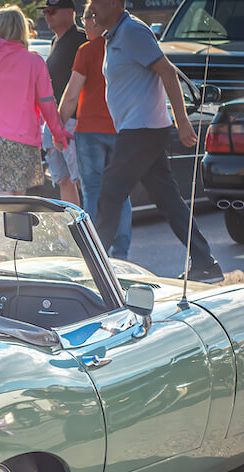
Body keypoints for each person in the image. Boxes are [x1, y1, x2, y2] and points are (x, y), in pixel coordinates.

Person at [87, 0, 222, 281]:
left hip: (142, 131)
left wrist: (182, 121)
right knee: (168, 200)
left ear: (114, 3)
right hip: (139, 130)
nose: (92, 9)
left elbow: (168, 72)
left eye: (97, 2)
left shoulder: (134, 31)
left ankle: (92, 272)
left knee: (109, 196)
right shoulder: (114, 36)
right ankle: (205, 263)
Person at [0, 6, 71, 196]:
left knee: (1, 202)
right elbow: (47, 103)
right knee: (19, 200)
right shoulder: (35, 62)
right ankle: (19, 227)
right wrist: (58, 134)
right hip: (26, 140)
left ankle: (3, 226)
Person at [58, 6, 130, 257]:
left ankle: (97, 253)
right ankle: (120, 253)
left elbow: (71, 95)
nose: (84, 23)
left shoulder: (86, 51)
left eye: (86, 18)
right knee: (121, 193)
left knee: (92, 192)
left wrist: (58, 126)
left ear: (97, 19)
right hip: (122, 129)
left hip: (89, 131)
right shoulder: (124, 47)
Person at [42, 0, 84, 204]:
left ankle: (91, 230)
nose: (47, 16)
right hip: (53, 120)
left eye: (52, 11)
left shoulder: (82, 39)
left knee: (81, 179)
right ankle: (72, 227)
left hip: (74, 121)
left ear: (70, 12)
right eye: (45, 11)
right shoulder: (54, 41)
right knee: (62, 178)